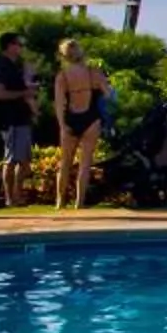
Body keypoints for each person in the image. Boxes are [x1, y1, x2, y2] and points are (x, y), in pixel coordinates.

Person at [53, 37, 111, 210]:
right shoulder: (94, 72)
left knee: (65, 163)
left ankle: (60, 202)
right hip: (91, 118)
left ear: (64, 56)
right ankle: (79, 202)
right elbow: (108, 94)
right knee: (85, 164)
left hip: (70, 118)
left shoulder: (62, 76)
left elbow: (59, 104)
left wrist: (62, 125)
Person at [0, 32, 37, 208]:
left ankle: (17, 195)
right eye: (18, 44)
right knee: (11, 159)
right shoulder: (2, 65)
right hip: (10, 118)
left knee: (24, 160)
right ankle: (10, 198)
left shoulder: (16, 66)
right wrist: (24, 93)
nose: (20, 47)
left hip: (21, 116)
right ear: (9, 46)